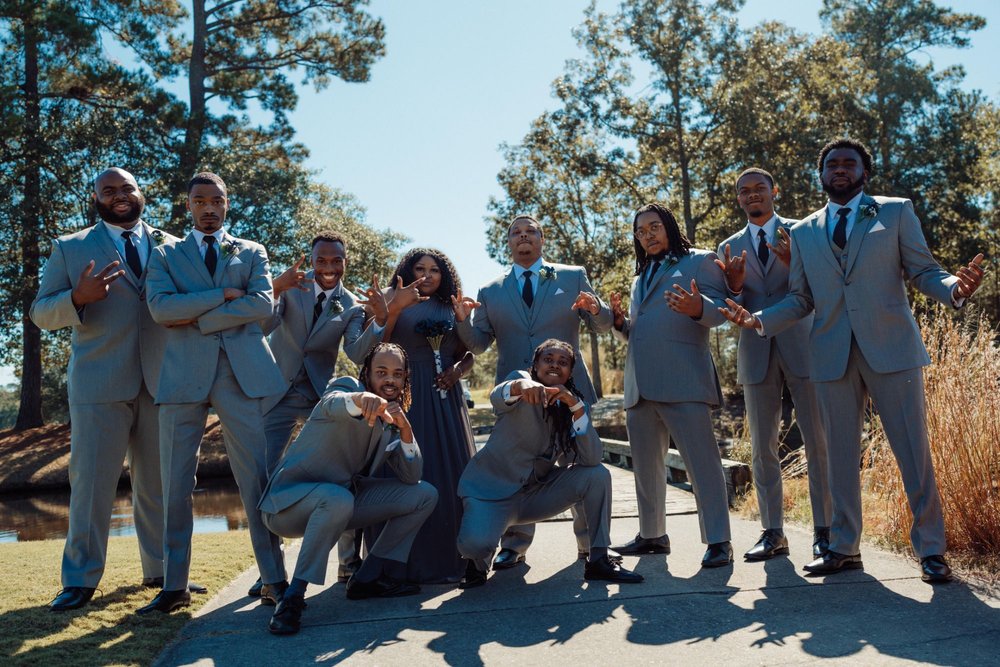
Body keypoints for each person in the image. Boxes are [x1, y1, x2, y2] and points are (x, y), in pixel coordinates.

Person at [721, 138, 985, 583]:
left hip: (892, 350)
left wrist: (954, 289)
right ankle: (843, 548)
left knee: (913, 454)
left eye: (849, 162)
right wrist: (757, 320)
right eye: (832, 164)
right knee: (839, 459)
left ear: (865, 171)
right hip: (830, 357)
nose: (840, 169)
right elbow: (801, 298)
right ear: (821, 175)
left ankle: (931, 550)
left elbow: (924, 271)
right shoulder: (804, 231)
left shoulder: (895, 212)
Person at [30, 168, 186, 611]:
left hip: (162, 382)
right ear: (96, 198)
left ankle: (162, 573)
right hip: (98, 385)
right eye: (109, 190)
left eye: (127, 188)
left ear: (141, 193)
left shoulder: (174, 246)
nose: (119, 195)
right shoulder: (70, 247)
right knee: (91, 485)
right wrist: (77, 298)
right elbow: (40, 312)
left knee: (159, 485)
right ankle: (79, 581)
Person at [141, 172, 287, 614]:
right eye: (200, 200)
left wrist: (198, 317)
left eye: (216, 200)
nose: (209, 208)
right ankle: (174, 587)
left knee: (255, 478)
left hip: (241, 376)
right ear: (188, 205)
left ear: (227, 203)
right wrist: (221, 295)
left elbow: (261, 303)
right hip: (182, 378)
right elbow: (160, 308)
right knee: (174, 484)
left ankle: (274, 579)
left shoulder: (252, 251)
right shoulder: (164, 254)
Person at [452, 214, 612, 568]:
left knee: (581, 462)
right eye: (516, 232)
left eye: (531, 231)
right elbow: (478, 344)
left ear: (542, 238)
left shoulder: (571, 276)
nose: (523, 236)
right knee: (518, 463)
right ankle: (514, 545)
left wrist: (598, 308)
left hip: (569, 392)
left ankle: (590, 546)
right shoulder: (491, 291)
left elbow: (601, 326)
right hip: (518, 398)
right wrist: (462, 321)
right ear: (508, 242)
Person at [259, 343, 438, 635]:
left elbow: (411, 476)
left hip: (341, 501)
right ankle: (292, 598)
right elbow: (333, 402)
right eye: (381, 372)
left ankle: (367, 578)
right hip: (286, 506)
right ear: (367, 372)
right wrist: (360, 398)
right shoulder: (347, 388)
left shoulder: (392, 421)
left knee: (424, 494)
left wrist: (406, 430)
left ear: (405, 378)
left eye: (397, 374)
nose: (389, 380)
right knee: (338, 498)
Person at [250, 231, 386, 596]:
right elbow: (262, 327)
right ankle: (269, 573)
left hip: (319, 397)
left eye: (336, 260)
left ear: (345, 262)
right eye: (321, 260)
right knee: (262, 479)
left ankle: (348, 562)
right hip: (275, 392)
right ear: (311, 260)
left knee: (342, 471)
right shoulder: (289, 287)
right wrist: (274, 290)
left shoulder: (352, 304)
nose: (328, 267)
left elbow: (356, 352)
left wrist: (379, 320)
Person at [456, 339, 642, 588]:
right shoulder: (521, 381)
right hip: (492, 493)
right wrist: (521, 386)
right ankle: (479, 561)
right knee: (474, 545)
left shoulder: (574, 404)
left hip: (535, 495)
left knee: (597, 475)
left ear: (570, 372)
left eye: (563, 362)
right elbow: (498, 396)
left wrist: (576, 407)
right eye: (548, 359)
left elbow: (591, 459)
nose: (555, 365)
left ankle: (598, 558)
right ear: (535, 365)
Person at [609, 203, 734, 568]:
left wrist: (698, 307)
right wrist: (620, 324)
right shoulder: (638, 278)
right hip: (640, 386)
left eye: (654, 227)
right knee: (645, 468)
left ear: (669, 226)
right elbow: (639, 331)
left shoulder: (701, 261)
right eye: (640, 231)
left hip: (684, 380)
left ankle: (719, 540)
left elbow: (722, 310)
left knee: (703, 464)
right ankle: (652, 536)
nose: (647, 235)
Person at [716, 168, 832, 561]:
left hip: (805, 348)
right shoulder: (728, 247)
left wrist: (796, 260)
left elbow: (824, 287)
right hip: (756, 353)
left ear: (774, 191)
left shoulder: (804, 232)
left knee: (818, 443)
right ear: (738, 198)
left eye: (759, 188)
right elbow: (728, 305)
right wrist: (734, 287)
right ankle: (772, 533)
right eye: (744, 191)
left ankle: (825, 532)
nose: (752, 195)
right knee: (762, 449)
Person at [369, 248, 476, 584]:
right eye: (420, 268)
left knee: (449, 472)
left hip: (445, 398)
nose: (427, 275)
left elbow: (468, 353)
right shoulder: (394, 299)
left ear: (445, 276)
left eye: (435, 270)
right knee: (407, 469)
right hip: (407, 396)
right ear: (408, 271)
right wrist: (395, 308)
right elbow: (378, 349)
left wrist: (457, 372)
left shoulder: (451, 306)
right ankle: (398, 563)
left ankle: (451, 558)